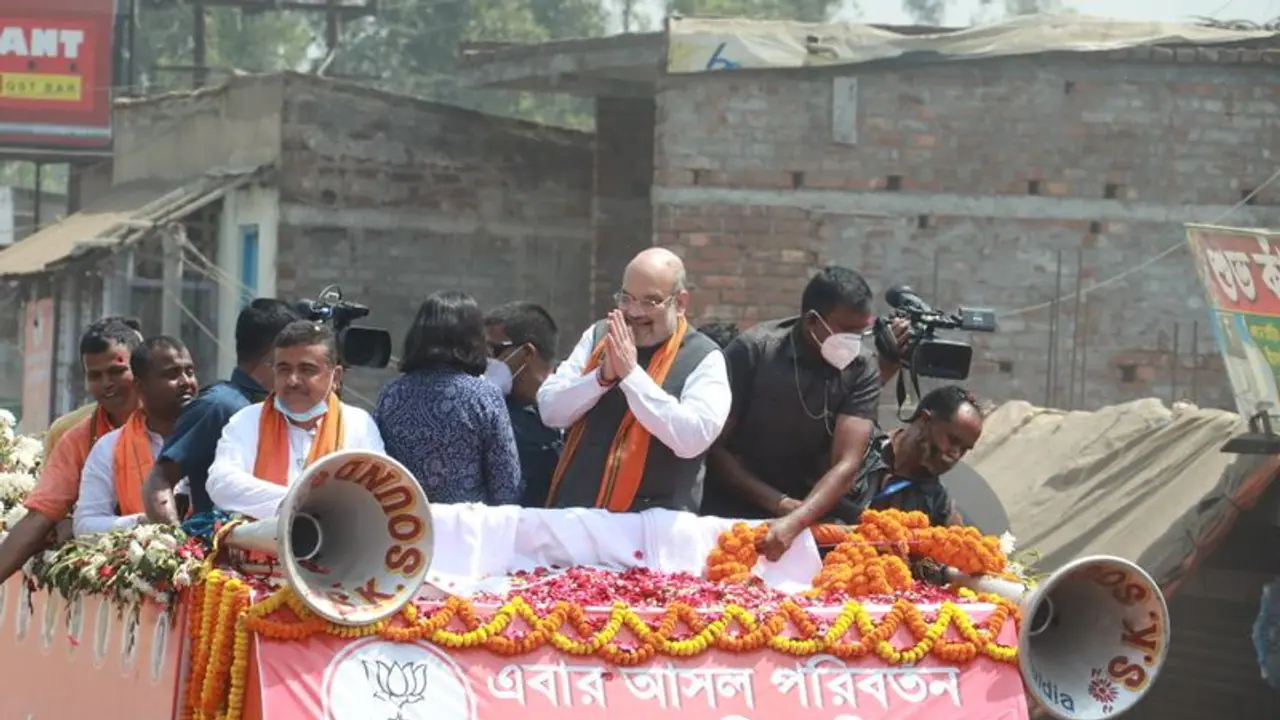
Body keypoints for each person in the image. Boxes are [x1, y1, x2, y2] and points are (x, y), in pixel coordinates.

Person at [704, 266, 884, 560]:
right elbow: (713, 448)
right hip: (730, 509)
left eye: (861, 331)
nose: (854, 342)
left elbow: (847, 463)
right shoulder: (755, 351)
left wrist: (796, 518)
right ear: (812, 321)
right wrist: (780, 505)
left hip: (809, 513)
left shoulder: (862, 368)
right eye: (846, 332)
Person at [538, 247, 731, 513]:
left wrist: (631, 376)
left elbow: (693, 438)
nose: (635, 312)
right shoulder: (599, 336)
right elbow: (550, 410)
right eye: (626, 299)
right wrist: (601, 379)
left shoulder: (705, 357)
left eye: (650, 302)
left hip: (651, 532)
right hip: (578, 518)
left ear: (681, 303)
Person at [0, 318, 144, 582]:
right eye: (95, 376)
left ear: (141, 369)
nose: (106, 383)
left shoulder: (176, 420)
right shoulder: (77, 436)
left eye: (116, 371)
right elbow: (38, 517)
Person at [142, 298, 301, 524]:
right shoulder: (218, 406)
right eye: (293, 359)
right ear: (274, 356)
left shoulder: (294, 412)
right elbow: (160, 480)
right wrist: (176, 546)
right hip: (223, 552)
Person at [207, 321, 384, 520]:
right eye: (283, 369)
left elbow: (377, 493)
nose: (293, 380)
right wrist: (299, 503)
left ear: (336, 377)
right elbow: (221, 483)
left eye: (307, 370)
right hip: (260, 546)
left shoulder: (358, 424)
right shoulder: (246, 421)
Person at [375, 292, 521, 505]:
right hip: (466, 531)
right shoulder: (484, 396)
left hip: (406, 527)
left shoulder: (391, 394)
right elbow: (506, 485)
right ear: (474, 338)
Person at [73, 336, 198, 536]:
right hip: (147, 558)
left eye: (189, 372)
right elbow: (85, 524)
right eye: (172, 374)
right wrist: (142, 523)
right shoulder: (110, 447)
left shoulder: (218, 435)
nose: (186, 382)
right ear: (140, 386)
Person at [848, 385, 982, 527]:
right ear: (925, 420)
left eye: (964, 449)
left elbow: (965, 538)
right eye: (953, 440)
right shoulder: (861, 448)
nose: (955, 454)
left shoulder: (936, 501)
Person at [483, 301, 563, 507]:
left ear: (527, 353)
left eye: (493, 351)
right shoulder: (491, 412)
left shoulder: (575, 405)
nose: (485, 362)